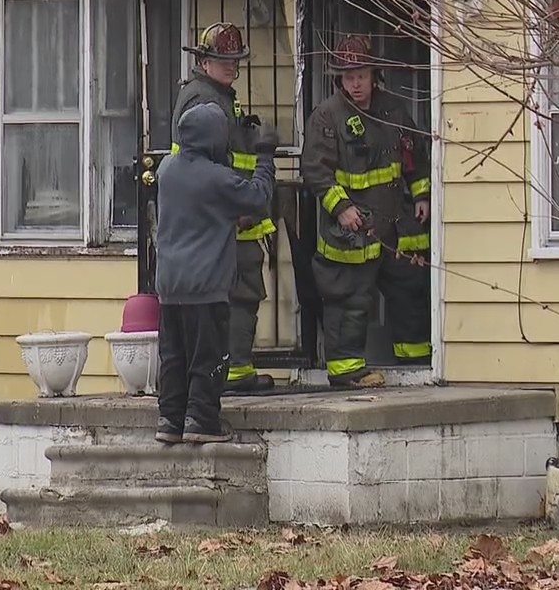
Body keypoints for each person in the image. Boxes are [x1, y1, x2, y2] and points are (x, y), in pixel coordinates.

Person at [300, 35, 432, 388]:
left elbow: (414, 155)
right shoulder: (327, 116)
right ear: (338, 79)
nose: (355, 83)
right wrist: (341, 208)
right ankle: (346, 371)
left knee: (411, 290)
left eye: (360, 74)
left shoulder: (394, 110)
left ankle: (416, 364)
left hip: (396, 224)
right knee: (349, 297)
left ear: (374, 74)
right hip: (353, 228)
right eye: (348, 77)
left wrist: (422, 196)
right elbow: (315, 170)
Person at [154, 102, 279, 444]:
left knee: (175, 356)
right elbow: (257, 196)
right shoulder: (216, 177)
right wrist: (265, 155)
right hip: (205, 284)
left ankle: (170, 420)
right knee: (206, 355)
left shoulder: (167, 170)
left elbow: (202, 211)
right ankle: (201, 420)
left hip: (169, 285)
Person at [169, 22, 277, 394]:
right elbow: (208, 168)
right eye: (223, 60)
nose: (232, 67)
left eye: (236, 60)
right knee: (240, 294)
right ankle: (234, 373)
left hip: (233, 213)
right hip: (230, 217)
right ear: (203, 60)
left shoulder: (218, 95)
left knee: (242, 293)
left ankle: (236, 370)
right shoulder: (205, 101)